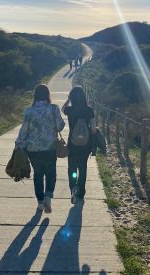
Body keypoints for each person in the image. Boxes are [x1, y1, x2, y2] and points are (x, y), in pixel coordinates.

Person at [15, 84, 65, 213]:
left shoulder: (29, 111)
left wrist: (19, 144)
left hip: (33, 149)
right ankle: (48, 196)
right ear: (47, 95)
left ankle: (40, 203)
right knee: (51, 173)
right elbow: (60, 126)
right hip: (50, 147)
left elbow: (24, 130)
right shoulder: (54, 109)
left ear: (35, 95)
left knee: (38, 175)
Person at [62, 86, 96, 204]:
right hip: (86, 145)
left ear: (72, 97)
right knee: (82, 168)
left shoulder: (70, 110)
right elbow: (93, 130)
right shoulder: (89, 110)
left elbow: (63, 109)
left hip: (72, 143)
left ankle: (73, 189)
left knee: (72, 168)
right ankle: (81, 192)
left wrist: (68, 100)